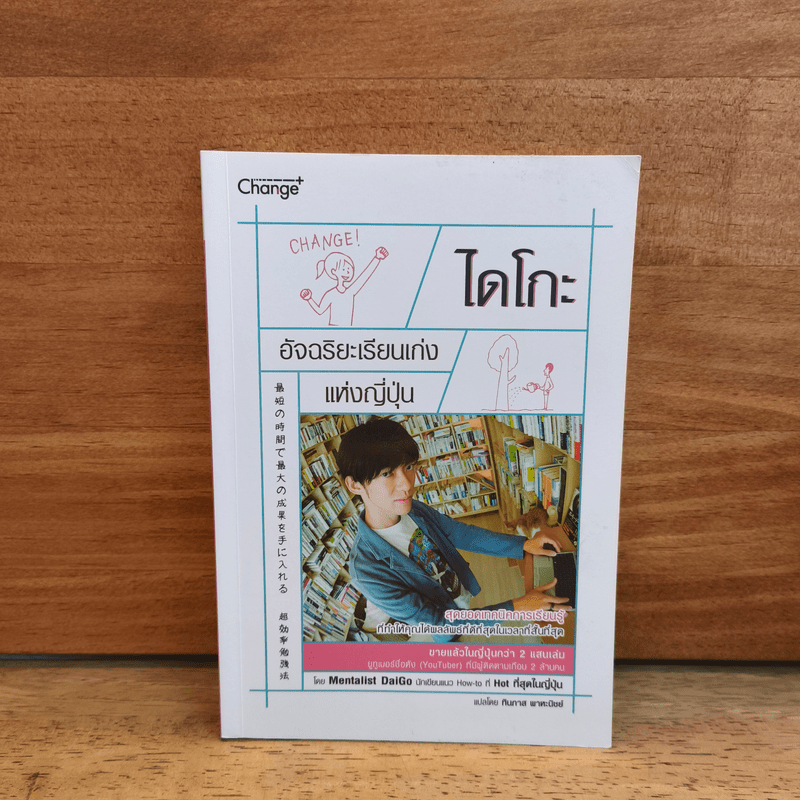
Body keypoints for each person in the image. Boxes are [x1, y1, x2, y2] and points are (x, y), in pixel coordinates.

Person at [338, 417, 569, 640]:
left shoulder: (413, 509)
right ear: (355, 485)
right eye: (387, 473)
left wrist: (523, 545)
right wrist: (516, 607)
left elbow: (459, 533)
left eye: (408, 467)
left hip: (459, 602)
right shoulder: (366, 569)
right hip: (437, 636)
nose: (407, 484)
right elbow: (441, 624)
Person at [300, 247, 388, 326]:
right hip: (333, 329)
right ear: (333, 272)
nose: (348, 272)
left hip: (347, 330)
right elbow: (320, 310)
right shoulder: (330, 294)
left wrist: (377, 258)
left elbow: (364, 277)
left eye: (349, 269)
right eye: (344, 269)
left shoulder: (350, 291)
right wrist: (309, 299)